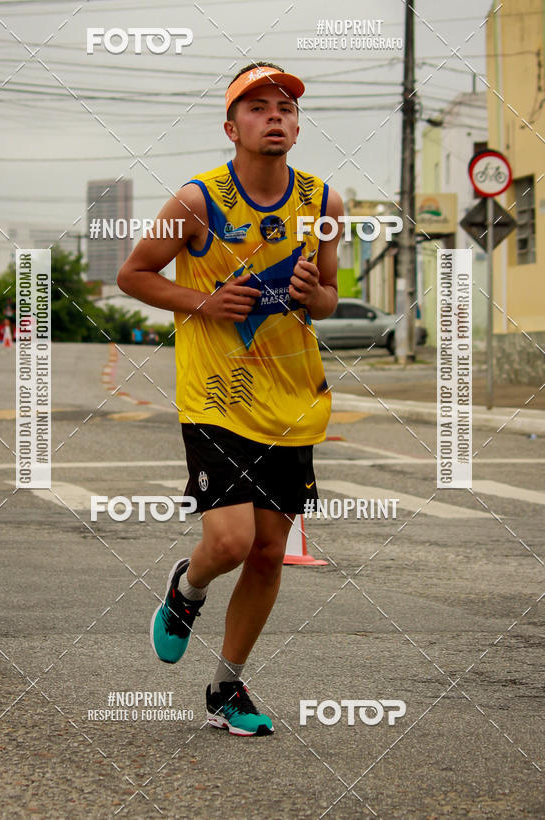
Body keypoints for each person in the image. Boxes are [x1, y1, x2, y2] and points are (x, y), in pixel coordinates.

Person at [117, 62, 343, 737]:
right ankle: (188, 586)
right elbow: (135, 274)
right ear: (231, 126)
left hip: (291, 398)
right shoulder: (197, 201)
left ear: (297, 128)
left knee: (271, 551)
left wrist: (312, 296)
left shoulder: (326, 205)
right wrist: (205, 302)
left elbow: (329, 296)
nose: (274, 116)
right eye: (257, 107)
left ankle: (226, 689)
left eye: (285, 108)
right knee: (234, 540)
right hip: (217, 394)